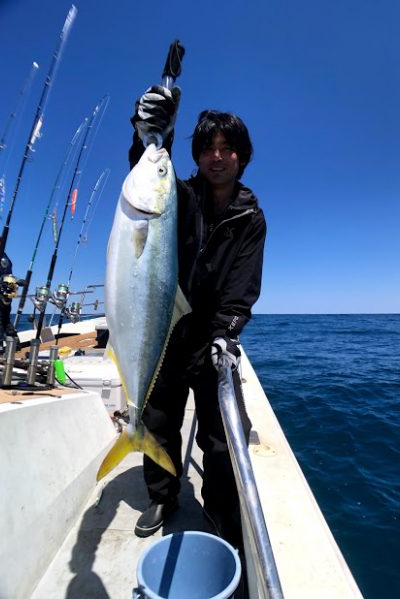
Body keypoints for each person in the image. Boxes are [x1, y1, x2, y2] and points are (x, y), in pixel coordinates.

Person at [129, 86, 266, 548]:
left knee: (221, 436)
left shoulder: (251, 217)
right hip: (167, 331)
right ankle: (163, 497)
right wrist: (147, 134)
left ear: (242, 157)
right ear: (197, 155)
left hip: (213, 340)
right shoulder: (181, 195)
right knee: (158, 420)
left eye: (228, 148)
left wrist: (227, 333)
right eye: (208, 147)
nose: (217, 156)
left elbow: (244, 284)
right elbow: (146, 184)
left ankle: (218, 509)